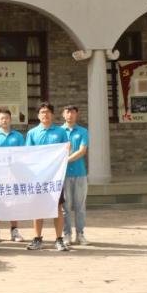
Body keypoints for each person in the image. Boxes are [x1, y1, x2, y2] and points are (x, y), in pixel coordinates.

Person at [25, 102, 71, 252]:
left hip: (55, 177)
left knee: (57, 207)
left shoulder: (60, 132)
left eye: (47, 112)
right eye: (42, 112)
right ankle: (37, 238)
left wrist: (68, 149)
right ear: (38, 115)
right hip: (38, 177)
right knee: (38, 207)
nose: (45, 114)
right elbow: (28, 154)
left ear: (52, 114)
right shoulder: (32, 133)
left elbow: (66, 151)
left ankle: (59, 239)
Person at [0, 108, 26, 242]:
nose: (4, 120)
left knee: (13, 203)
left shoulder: (18, 136)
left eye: (6, 118)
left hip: (14, 175)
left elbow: (23, 154)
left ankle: (14, 231)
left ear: (11, 120)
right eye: (1, 118)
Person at [62, 105, 90, 245]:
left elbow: (82, 151)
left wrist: (65, 160)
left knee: (80, 206)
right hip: (63, 175)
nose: (70, 115)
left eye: (73, 112)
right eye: (67, 112)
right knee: (65, 207)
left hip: (80, 174)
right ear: (63, 114)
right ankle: (67, 234)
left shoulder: (83, 131)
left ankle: (80, 234)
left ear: (76, 114)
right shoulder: (59, 132)